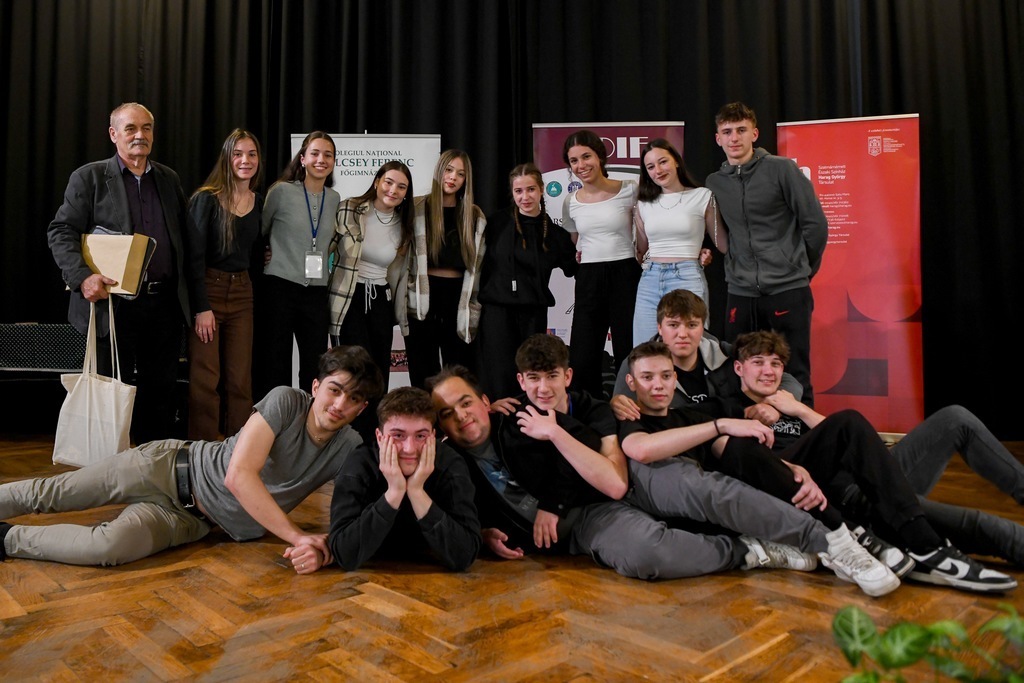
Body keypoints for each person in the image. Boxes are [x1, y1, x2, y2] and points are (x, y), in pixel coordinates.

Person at [430, 338, 896, 595]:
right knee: (647, 556)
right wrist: (484, 532)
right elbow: (461, 513)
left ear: (485, 400)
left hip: (625, 478)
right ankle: (748, 551)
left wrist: (553, 497)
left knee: (702, 489)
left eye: (466, 403)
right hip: (586, 522)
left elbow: (607, 472)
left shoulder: (526, 418)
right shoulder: (455, 463)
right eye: (447, 413)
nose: (461, 417)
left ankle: (831, 541)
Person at [0, 346, 385, 573]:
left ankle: (7, 539)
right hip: (166, 468)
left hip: (189, 521)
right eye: (334, 390)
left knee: (108, 549)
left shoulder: (349, 448)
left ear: (362, 408)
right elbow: (238, 476)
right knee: (52, 494)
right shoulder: (286, 401)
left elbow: (358, 514)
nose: (339, 404)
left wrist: (327, 550)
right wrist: (299, 536)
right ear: (316, 386)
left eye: (353, 399)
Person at [719, 330, 1017, 593]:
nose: (768, 371)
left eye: (775, 364)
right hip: (848, 500)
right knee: (986, 527)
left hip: (877, 478)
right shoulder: (730, 411)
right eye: (758, 362)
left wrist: (798, 409)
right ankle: (923, 544)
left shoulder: (789, 404)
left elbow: (860, 441)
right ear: (739, 368)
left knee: (955, 418)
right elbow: (754, 470)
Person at [619, 340, 913, 581]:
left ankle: (877, 538)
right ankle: (843, 534)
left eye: (665, 376)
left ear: (675, 378)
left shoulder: (693, 415)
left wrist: (791, 469)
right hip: (704, 517)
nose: (658, 385)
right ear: (631, 382)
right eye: (647, 377)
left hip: (778, 496)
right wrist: (721, 425)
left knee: (843, 427)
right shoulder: (627, 417)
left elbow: (739, 449)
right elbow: (641, 449)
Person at [47, 102, 193, 443]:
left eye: (146, 128)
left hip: (164, 305)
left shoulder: (169, 179)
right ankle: (110, 466)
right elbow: (61, 231)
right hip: (112, 307)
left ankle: (151, 463)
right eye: (130, 128)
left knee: (160, 393)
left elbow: (185, 241)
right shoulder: (90, 177)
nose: (140, 135)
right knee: (112, 392)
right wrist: (83, 277)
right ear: (113, 134)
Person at [705, 102, 828, 406]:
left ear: (755, 134)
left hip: (787, 288)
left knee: (794, 369)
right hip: (740, 290)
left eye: (741, 130)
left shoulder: (781, 169)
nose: (734, 138)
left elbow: (815, 225)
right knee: (739, 368)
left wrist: (799, 269)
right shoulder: (714, 182)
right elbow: (721, 233)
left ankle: (800, 433)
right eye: (727, 132)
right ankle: (746, 432)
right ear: (718, 138)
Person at [325, 386, 481, 571]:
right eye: (398, 435)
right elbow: (344, 554)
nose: (409, 449)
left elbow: (465, 555)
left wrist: (416, 491)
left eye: (420, 436)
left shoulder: (451, 464)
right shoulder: (359, 464)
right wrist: (394, 492)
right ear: (379, 437)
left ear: (433, 436)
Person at [611, 289, 803, 422]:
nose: (683, 334)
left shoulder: (725, 353)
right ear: (660, 328)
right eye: (673, 325)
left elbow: (790, 382)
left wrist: (773, 406)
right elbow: (622, 413)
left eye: (692, 325)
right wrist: (616, 405)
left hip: (728, 442)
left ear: (703, 328)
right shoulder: (638, 363)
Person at [327, 160, 416, 440]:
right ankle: (347, 438)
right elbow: (325, 246)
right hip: (349, 297)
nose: (393, 190)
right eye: (388, 182)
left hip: (380, 300)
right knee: (353, 370)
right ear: (377, 182)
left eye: (401, 187)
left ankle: (373, 438)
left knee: (378, 373)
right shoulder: (349, 208)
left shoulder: (406, 224)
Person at [185, 128, 264, 440]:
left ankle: (239, 446)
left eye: (252, 154)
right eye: (238, 154)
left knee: (239, 379)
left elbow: (256, 253)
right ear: (227, 158)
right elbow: (193, 259)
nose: (246, 160)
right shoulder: (206, 199)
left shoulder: (259, 202)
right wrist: (201, 307)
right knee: (206, 377)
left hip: (243, 293)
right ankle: (203, 449)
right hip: (210, 290)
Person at [477, 162, 578, 399]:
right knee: (499, 375)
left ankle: (530, 418)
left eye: (531, 189)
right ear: (512, 193)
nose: (525, 197)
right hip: (497, 313)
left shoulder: (555, 235)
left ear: (541, 190)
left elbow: (573, 268)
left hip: (533, 313)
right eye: (519, 191)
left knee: (532, 371)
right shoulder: (494, 224)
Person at [257, 131, 339, 396]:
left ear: (334, 162)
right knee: (274, 362)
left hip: (316, 292)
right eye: (315, 153)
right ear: (302, 158)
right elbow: (260, 232)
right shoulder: (280, 191)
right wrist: (265, 252)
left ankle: (309, 417)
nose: (321, 159)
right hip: (279, 287)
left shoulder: (334, 199)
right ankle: (274, 418)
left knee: (314, 366)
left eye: (328, 155)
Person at [561, 130, 641, 398]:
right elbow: (574, 241)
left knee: (628, 347)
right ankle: (588, 408)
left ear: (600, 157)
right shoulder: (571, 201)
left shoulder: (630, 189)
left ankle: (633, 405)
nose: (581, 165)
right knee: (583, 351)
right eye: (574, 161)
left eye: (586, 157)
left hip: (626, 273)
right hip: (589, 277)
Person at [402, 149, 486, 389]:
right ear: (439, 171)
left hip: (458, 298)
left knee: (458, 373)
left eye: (460, 174)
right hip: (423, 297)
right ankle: (423, 414)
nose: (453, 178)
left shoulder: (474, 216)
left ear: (466, 179)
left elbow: (478, 267)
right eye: (449, 170)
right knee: (422, 370)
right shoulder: (417, 207)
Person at [633, 138, 727, 343]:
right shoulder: (643, 204)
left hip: (687, 276)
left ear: (676, 161)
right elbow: (639, 251)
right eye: (651, 167)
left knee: (690, 346)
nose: (658, 170)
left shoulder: (702, 196)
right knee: (645, 349)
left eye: (663, 162)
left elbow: (722, 243)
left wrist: (705, 250)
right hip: (650, 279)